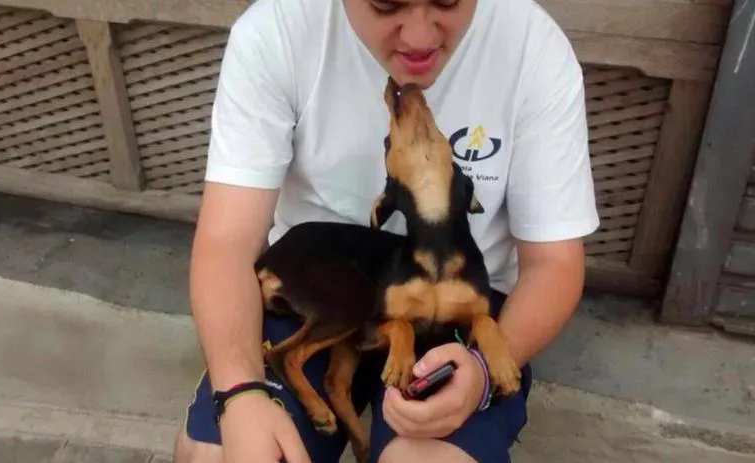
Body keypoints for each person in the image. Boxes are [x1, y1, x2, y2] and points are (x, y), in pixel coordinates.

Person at [173, 0, 600, 461]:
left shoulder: (532, 48)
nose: (419, 37)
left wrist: (481, 371)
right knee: (214, 454)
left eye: (448, 1)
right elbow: (226, 242)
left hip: (463, 307)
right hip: (320, 277)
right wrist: (238, 392)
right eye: (384, 4)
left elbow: (554, 263)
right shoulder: (277, 30)